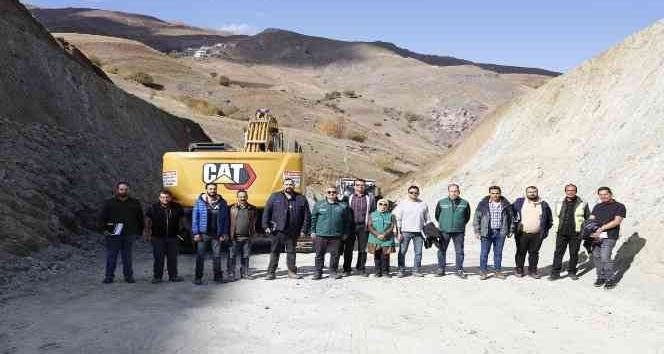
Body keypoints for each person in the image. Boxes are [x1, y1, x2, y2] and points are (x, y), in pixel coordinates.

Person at [262, 178, 311, 280]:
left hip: (292, 231)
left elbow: (307, 216)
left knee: (291, 252)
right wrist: (265, 226)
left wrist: (304, 230)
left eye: (290, 184)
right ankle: (271, 272)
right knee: (275, 251)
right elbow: (267, 211)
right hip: (277, 230)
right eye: (286, 184)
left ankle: (292, 272)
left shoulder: (301, 198)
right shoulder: (275, 196)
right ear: (283, 185)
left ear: (294, 186)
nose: (288, 186)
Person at [99, 181, 144, 284]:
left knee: (127, 257)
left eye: (125, 189)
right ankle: (109, 277)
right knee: (112, 256)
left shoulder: (135, 202)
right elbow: (102, 217)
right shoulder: (109, 202)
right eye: (121, 189)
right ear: (117, 190)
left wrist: (139, 232)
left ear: (129, 190)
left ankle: (128, 277)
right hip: (113, 233)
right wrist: (104, 230)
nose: (123, 191)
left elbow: (140, 218)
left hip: (129, 233)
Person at [549, 184, 590, 281]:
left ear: (576, 191)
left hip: (576, 233)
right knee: (558, 253)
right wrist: (556, 226)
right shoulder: (559, 201)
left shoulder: (583, 202)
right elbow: (555, 215)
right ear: (565, 191)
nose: (570, 192)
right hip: (561, 232)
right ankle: (555, 273)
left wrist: (586, 231)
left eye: (573, 190)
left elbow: (587, 217)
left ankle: (572, 272)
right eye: (568, 190)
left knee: (574, 253)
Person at [191, 183, 230, 285]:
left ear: (216, 190)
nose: (212, 190)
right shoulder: (199, 202)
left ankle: (218, 277)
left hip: (216, 235)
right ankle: (198, 277)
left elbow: (226, 220)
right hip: (203, 234)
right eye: (210, 189)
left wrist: (224, 233)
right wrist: (196, 233)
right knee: (200, 256)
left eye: (214, 189)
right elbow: (195, 218)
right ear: (206, 190)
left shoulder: (223, 203)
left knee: (217, 256)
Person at [310, 186, 352, 280]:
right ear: (326, 193)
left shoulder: (343, 206)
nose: (331, 194)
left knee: (335, 255)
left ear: (337, 193)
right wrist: (313, 231)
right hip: (321, 234)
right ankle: (318, 272)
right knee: (319, 254)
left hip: (336, 235)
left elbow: (347, 221)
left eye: (333, 192)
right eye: (329, 192)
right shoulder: (319, 205)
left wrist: (345, 232)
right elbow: (313, 219)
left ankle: (333, 271)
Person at [511, 186, 553, 279]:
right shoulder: (519, 202)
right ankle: (519, 269)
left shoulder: (543, 204)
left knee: (534, 253)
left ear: (537, 192)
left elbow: (549, 220)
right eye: (530, 192)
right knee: (521, 252)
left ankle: (532, 270)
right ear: (526, 193)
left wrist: (544, 230)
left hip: (537, 234)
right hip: (522, 233)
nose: (532, 193)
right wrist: (513, 226)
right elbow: (510, 212)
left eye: (534, 192)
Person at [589, 187, 626, 289]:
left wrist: (602, 228)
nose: (603, 196)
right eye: (600, 195)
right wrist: (590, 229)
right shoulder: (597, 206)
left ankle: (610, 279)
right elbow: (592, 219)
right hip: (597, 235)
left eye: (605, 194)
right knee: (596, 256)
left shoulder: (619, 206)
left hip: (610, 235)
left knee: (605, 257)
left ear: (610, 194)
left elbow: (617, 221)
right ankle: (601, 277)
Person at [473, 186, 513, 280]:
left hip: (500, 232)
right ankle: (483, 272)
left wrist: (510, 230)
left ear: (500, 193)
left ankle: (497, 272)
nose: (495, 195)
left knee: (498, 253)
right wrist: (477, 231)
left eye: (497, 193)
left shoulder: (506, 204)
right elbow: (476, 218)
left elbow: (511, 219)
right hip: (487, 232)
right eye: (493, 193)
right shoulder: (483, 204)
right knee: (484, 253)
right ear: (489, 194)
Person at [144, 190, 184, 283]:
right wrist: (147, 233)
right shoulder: (153, 207)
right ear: (159, 198)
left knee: (172, 258)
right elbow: (147, 221)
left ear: (170, 198)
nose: (165, 199)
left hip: (173, 237)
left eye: (167, 197)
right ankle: (157, 277)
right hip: (157, 237)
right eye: (162, 197)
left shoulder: (177, 207)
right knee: (158, 258)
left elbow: (182, 220)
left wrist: (182, 233)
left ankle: (173, 276)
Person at [434, 183, 471, 278]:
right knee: (441, 249)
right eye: (451, 191)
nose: (453, 193)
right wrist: (444, 223)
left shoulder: (465, 203)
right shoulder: (441, 202)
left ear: (459, 192)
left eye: (455, 191)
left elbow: (467, 217)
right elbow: (437, 216)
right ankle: (441, 269)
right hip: (444, 230)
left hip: (459, 231)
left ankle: (459, 269)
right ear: (448, 192)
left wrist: (459, 223)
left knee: (459, 251)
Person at [341, 178, 376, 277]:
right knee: (348, 248)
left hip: (363, 227)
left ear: (365, 186)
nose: (360, 187)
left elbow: (372, 211)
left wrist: (370, 224)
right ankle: (346, 269)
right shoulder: (348, 197)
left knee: (362, 249)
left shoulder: (370, 198)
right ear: (354, 186)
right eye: (357, 185)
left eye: (362, 185)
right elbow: (343, 210)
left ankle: (361, 268)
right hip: (350, 226)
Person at [393, 185, 430, 277]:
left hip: (419, 232)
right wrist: (398, 232)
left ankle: (416, 270)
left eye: (416, 192)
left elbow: (427, 219)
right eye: (411, 192)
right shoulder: (403, 204)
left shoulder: (423, 204)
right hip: (405, 231)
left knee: (418, 252)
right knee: (402, 251)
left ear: (418, 193)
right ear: (408, 193)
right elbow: (398, 219)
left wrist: (430, 231)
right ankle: (401, 270)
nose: (414, 194)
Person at [229, 190, 257, 280]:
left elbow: (254, 222)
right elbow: (227, 222)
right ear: (237, 197)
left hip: (247, 237)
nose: (242, 198)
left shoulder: (252, 208)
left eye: (244, 196)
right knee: (232, 256)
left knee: (246, 256)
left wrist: (253, 232)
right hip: (234, 237)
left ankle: (245, 273)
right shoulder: (231, 208)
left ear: (247, 197)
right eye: (240, 196)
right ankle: (231, 274)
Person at [367, 199, 397, 277]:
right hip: (375, 238)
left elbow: (391, 226)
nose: (382, 206)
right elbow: (370, 226)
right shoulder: (372, 214)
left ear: (387, 206)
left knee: (385, 256)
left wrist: (385, 234)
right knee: (377, 255)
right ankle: (378, 272)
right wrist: (377, 234)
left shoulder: (391, 215)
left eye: (385, 204)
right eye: (380, 204)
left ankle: (385, 272)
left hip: (386, 239)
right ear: (377, 205)